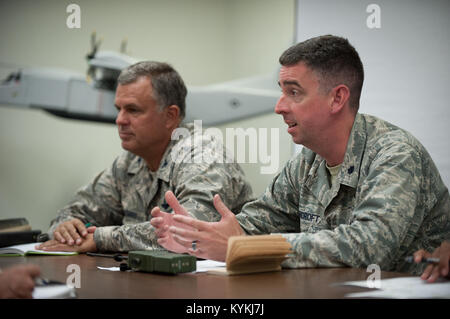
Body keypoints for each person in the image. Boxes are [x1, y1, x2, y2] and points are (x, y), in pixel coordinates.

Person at [152, 35, 450, 275]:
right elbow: (257, 222)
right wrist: (197, 234)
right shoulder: (306, 163)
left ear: (337, 98)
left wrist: (241, 247)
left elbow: (369, 246)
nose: (279, 106)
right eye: (281, 92)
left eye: (293, 92)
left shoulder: (394, 154)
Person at [37, 61, 254, 253]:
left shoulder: (202, 155)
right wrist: (66, 226)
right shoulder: (129, 162)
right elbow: (78, 209)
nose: (120, 120)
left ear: (170, 116)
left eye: (133, 110)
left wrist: (101, 238)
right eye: (118, 109)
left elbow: (188, 231)